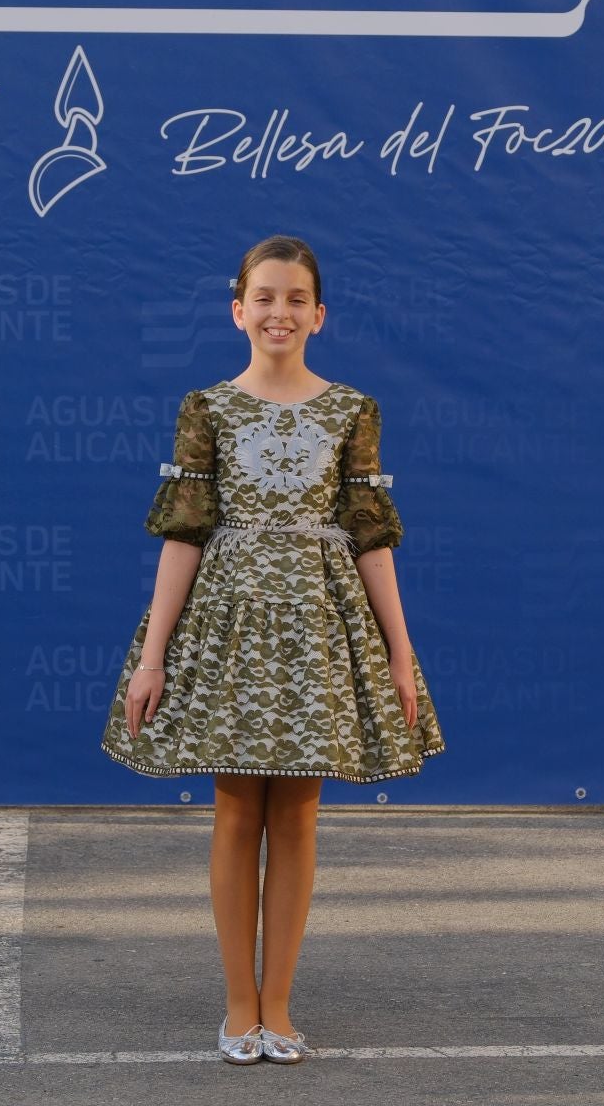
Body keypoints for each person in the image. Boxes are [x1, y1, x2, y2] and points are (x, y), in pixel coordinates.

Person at [99, 234, 448, 1066]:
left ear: (318, 315)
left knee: (296, 812)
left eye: (295, 299)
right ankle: (238, 1004)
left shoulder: (352, 410)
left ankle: (281, 1006)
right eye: (264, 297)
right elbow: (183, 534)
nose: (279, 312)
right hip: (229, 629)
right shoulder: (207, 409)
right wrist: (152, 655)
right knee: (233, 808)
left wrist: (401, 654)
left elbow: (371, 538)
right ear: (237, 310)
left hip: (320, 629)